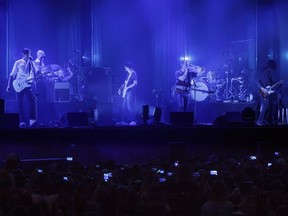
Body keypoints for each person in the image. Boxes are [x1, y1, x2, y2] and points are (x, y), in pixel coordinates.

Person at [6, 48, 37, 128]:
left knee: (32, 101)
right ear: (24, 54)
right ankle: (22, 121)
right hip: (19, 85)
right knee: (20, 104)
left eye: (30, 54)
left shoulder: (32, 63)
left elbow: (35, 72)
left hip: (27, 85)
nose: (30, 55)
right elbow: (12, 75)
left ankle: (32, 120)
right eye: (28, 54)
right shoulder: (18, 62)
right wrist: (8, 85)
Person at [255, 59, 283, 126]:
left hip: (266, 90)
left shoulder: (269, 73)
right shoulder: (261, 72)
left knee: (269, 105)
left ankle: (264, 120)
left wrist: (278, 83)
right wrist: (262, 88)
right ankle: (259, 120)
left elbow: (270, 83)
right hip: (261, 91)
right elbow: (256, 80)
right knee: (266, 105)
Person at [118, 61, 138, 125]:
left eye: (125, 67)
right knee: (124, 106)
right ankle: (124, 121)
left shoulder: (133, 73)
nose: (125, 69)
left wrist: (128, 88)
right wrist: (120, 88)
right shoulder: (128, 74)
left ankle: (133, 120)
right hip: (126, 92)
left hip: (131, 92)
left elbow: (135, 83)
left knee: (130, 106)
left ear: (127, 67)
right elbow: (125, 83)